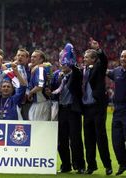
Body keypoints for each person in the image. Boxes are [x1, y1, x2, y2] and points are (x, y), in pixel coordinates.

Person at [52, 43, 85, 174]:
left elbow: (76, 70)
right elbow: (52, 89)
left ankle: (80, 165)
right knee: (61, 140)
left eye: (65, 63)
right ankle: (66, 165)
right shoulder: (57, 75)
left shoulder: (76, 74)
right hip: (61, 110)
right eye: (62, 62)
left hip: (73, 111)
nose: (63, 65)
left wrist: (70, 55)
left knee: (75, 139)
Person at [82, 38, 112, 175]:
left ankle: (107, 165)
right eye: (84, 57)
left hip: (97, 107)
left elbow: (104, 60)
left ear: (94, 59)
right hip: (86, 109)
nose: (84, 59)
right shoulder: (83, 71)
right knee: (88, 139)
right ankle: (91, 166)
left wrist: (98, 49)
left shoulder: (99, 68)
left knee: (100, 137)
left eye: (87, 57)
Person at [106, 50, 126, 176]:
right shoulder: (117, 71)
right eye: (122, 56)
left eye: (125, 56)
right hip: (117, 110)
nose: (123, 58)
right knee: (116, 141)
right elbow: (105, 70)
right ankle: (123, 163)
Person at [27, 50, 51, 121]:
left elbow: (40, 86)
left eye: (34, 57)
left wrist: (30, 93)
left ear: (41, 60)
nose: (32, 58)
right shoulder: (35, 68)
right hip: (37, 103)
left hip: (41, 103)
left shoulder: (40, 69)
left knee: (38, 128)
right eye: (31, 57)